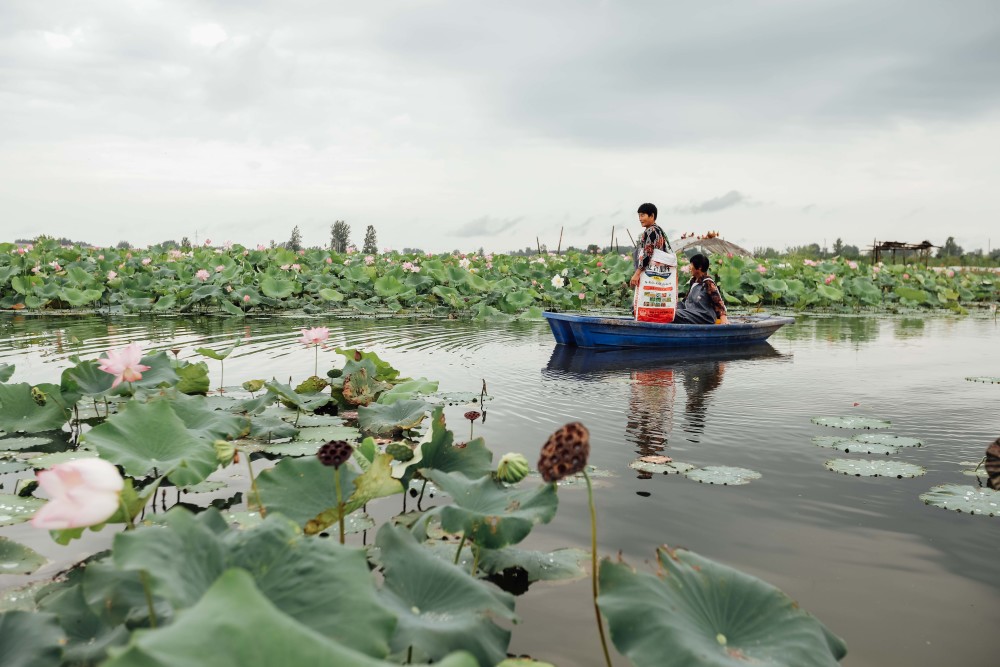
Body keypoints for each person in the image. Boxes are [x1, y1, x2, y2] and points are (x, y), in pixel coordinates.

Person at [673, 253, 730, 324]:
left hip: (704, 316)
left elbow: (718, 302)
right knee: (670, 311)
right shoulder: (693, 281)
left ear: (699, 267)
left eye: (691, 264)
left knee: (673, 314)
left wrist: (723, 319)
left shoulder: (708, 282)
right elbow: (686, 301)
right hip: (692, 313)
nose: (689, 267)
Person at [629, 203, 669, 288]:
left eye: (642, 215)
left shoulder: (651, 231)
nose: (640, 219)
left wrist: (637, 273)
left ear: (652, 215)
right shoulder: (658, 230)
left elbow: (648, 254)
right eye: (639, 216)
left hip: (649, 272)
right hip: (658, 273)